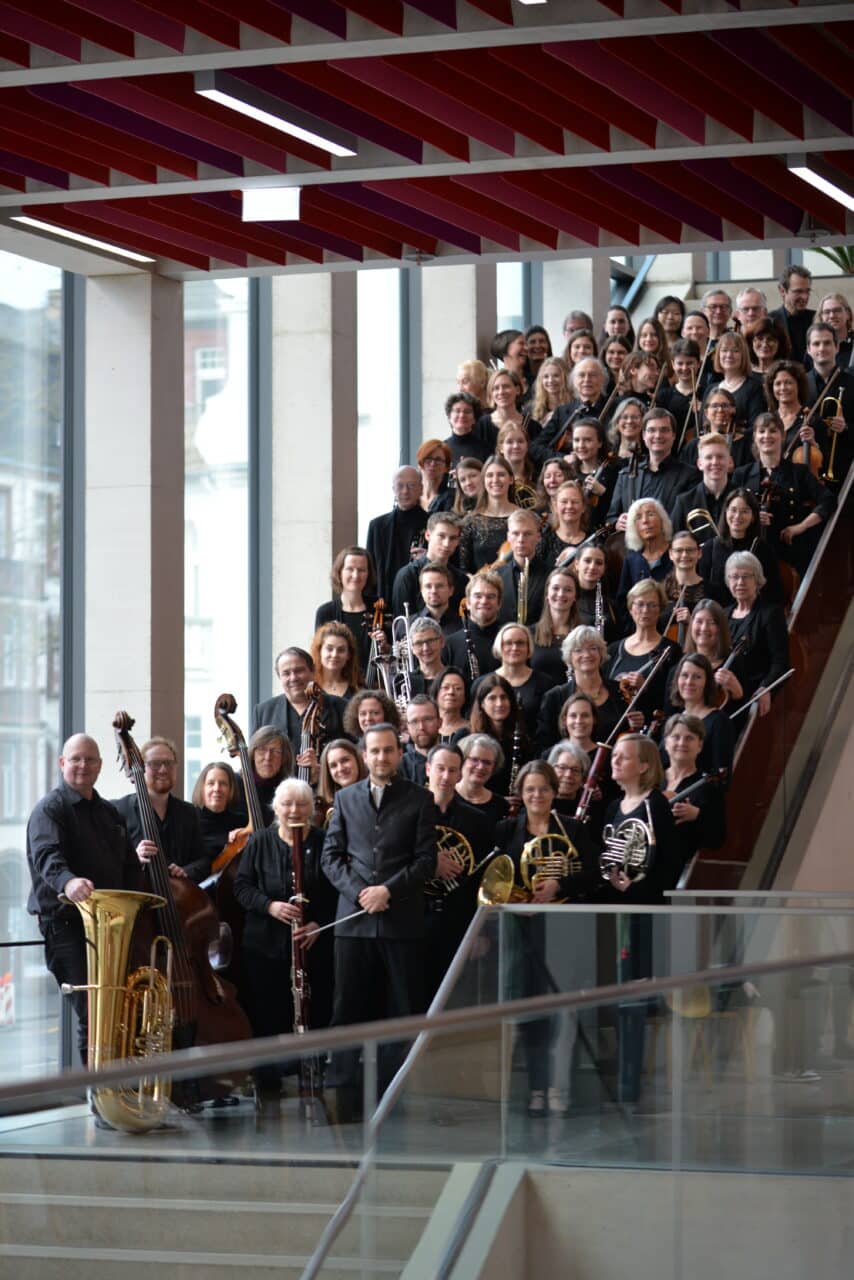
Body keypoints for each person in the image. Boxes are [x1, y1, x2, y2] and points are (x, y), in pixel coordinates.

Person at [321, 723, 438, 1099]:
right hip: (353, 923)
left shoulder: (420, 799)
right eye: (375, 751)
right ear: (364, 755)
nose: (382, 757)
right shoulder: (345, 798)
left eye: (388, 750)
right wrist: (361, 894)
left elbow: (426, 861)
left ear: (400, 754)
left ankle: (395, 1089)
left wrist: (388, 891)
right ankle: (340, 1087)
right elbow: (330, 858)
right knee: (347, 1007)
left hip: (401, 920)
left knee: (403, 1008)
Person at [26, 734, 142, 1066]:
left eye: (90, 759)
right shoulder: (50, 809)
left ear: (100, 765)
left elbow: (128, 866)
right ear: (62, 763)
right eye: (75, 759)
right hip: (66, 926)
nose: (83, 765)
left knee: (119, 1009)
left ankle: (119, 1084)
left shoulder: (109, 813)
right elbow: (46, 856)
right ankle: (100, 1091)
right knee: (94, 1013)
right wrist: (69, 881)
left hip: (109, 926)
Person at [494, 760, 597, 1116]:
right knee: (530, 1016)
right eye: (530, 789)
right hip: (521, 932)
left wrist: (559, 884)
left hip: (563, 931)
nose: (536, 795)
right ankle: (537, 1089)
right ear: (521, 794)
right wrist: (516, 900)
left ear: (555, 792)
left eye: (543, 789)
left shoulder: (574, 829)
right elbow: (495, 878)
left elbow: (593, 873)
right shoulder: (506, 829)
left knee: (563, 1014)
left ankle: (560, 1086)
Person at [234, 778, 337, 1111]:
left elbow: (337, 890)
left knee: (315, 1011)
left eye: (302, 804)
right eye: (287, 804)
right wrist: (270, 906)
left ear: (312, 808)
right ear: (275, 808)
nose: (294, 810)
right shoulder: (259, 841)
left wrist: (318, 924)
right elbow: (242, 887)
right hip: (264, 945)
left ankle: (312, 1074)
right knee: (267, 1013)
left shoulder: (323, 841)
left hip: (312, 943)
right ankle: (267, 1082)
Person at [598, 735, 679, 1106]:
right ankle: (622, 1074)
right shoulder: (613, 807)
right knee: (618, 997)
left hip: (643, 913)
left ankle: (632, 1081)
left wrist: (634, 886)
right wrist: (613, 880)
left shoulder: (655, 804)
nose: (614, 762)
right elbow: (608, 857)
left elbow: (669, 864)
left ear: (644, 765)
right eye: (614, 756)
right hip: (617, 910)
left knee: (635, 997)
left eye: (623, 757)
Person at [423, 744, 490, 1003]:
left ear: (460, 773)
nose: (446, 776)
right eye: (440, 768)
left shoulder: (477, 820)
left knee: (457, 999)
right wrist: (432, 861)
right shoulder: (407, 813)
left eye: (452, 770)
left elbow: (481, 879)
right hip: (416, 919)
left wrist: (480, 931)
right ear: (428, 769)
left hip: (458, 921)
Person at [733, 411, 836, 576]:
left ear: (783, 436)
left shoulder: (799, 472)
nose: (767, 436)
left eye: (773, 431)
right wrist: (752, 517)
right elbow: (730, 512)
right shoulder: (742, 474)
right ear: (754, 437)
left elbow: (828, 500)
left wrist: (801, 526)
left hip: (791, 551)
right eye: (761, 431)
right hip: (751, 552)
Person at [113, 736, 209, 884]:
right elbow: (106, 862)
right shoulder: (118, 810)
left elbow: (203, 861)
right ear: (141, 768)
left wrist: (186, 871)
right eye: (155, 764)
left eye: (169, 763)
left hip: (179, 895)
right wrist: (134, 858)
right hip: (138, 895)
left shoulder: (190, 812)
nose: (163, 770)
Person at [536, 626, 625, 755]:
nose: (587, 655)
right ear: (569, 657)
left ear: (601, 653)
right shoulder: (555, 697)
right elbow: (544, 746)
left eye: (593, 648)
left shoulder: (619, 691)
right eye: (578, 650)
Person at [251, 647, 346, 768]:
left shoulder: (341, 707)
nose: (293, 678)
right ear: (279, 676)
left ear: (312, 671)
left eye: (299, 671)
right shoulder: (263, 712)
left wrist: (320, 769)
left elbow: (354, 754)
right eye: (286, 673)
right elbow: (256, 762)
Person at [724, 550, 791, 715]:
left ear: (757, 580)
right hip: (725, 694)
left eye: (746, 576)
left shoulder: (771, 614)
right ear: (728, 580)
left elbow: (780, 662)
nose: (740, 582)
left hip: (753, 697)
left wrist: (765, 687)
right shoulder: (723, 615)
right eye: (734, 576)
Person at [661, 713, 727, 873]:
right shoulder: (651, 779)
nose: (682, 743)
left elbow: (717, 839)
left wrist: (698, 815)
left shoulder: (708, 786)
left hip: (675, 870)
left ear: (700, 745)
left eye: (689, 738)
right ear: (666, 742)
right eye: (676, 737)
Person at [607, 408, 695, 527]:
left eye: (664, 430)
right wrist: (617, 522)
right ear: (644, 435)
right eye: (652, 430)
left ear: (673, 435)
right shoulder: (625, 475)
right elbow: (611, 517)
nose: (658, 435)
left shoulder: (689, 475)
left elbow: (690, 519)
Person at [607, 579, 681, 720]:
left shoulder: (672, 651)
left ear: (660, 609)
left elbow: (674, 700)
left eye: (652, 605)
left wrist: (646, 687)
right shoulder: (613, 650)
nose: (646, 610)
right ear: (631, 608)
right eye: (640, 604)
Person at [699, 487, 783, 606]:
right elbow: (703, 591)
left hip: (752, 614)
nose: (738, 516)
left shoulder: (763, 550)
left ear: (753, 516)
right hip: (717, 614)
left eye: (745, 511)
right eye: (733, 510)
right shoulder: (710, 548)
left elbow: (774, 594)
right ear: (726, 512)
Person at [664, 653, 734, 776]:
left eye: (697, 677)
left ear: (707, 683)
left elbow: (722, 775)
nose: (689, 682)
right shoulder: (674, 721)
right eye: (684, 675)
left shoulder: (719, 722)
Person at [314, 545, 379, 677]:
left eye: (362, 570)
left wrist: (385, 646)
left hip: (374, 684)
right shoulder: (325, 612)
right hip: (337, 682)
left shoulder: (379, 608)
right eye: (350, 569)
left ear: (368, 574)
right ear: (339, 572)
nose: (356, 575)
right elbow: (319, 654)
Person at [365, 466, 428, 603]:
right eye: (400, 486)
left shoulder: (432, 524)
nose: (405, 491)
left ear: (421, 489)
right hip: (383, 602)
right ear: (393, 489)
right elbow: (369, 570)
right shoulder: (377, 526)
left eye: (411, 485)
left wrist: (428, 558)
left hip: (420, 600)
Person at [392, 511, 466, 617]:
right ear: (428, 535)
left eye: (453, 538)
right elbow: (402, 623)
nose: (447, 544)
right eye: (441, 536)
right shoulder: (407, 575)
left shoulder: (461, 579)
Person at [489, 622, 556, 737]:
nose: (514, 648)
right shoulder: (483, 683)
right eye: (508, 643)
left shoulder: (546, 684)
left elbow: (550, 727)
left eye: (520, 643)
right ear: (499, 647)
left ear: (529, 648)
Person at [670, 432, 735, 545]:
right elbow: (673, 543)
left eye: (720, 457)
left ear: (729, 461)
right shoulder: (684, 502)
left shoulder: (743, 498)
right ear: (700, 464)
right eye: (709, 457)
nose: (715, 462)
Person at [458, 455, 519, 573]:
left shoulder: (526, 519)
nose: (495, 480)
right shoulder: (470, 522)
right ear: (483, 481)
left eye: (501, 475)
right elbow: (464, 569)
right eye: (490, 475)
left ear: (511, 479)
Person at [469, 672, 526, 796]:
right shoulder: (467, 737)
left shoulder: (521, 738)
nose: (499, 703)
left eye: (504, 697)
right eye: (492, 698)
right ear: (482, 704)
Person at [616, 497, 673, 621]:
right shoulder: (631, 560)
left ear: (662, 520)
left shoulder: (677, 553)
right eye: (638, 517)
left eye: (650, 514)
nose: (645, 521)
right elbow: (623, 602)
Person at [683, 598, 745, 709]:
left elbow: (742, 717)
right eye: (699, 621)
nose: (704, 628)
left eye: (712, 623)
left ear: (721, 629)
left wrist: (737, 694)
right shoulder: (680, 666)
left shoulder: (735, 666)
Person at [443, 570, 504, 678]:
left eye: (490, 597)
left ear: (499, 603)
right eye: (478, 596)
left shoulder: (509, 641)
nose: (484, 601)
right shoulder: (449, 644)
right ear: (468, 603)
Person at [496, 507, 550, 626]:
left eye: (527, 534)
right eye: (515, 533)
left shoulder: (552, 575)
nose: (521, 539)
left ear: (538, 537)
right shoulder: (496, 576)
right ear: (508, 537)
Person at [531, 566, 581, 683]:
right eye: (555, 588)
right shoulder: (529, 634)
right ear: (547, 594)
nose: (561, 594)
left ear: (575, 596)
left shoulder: (583, 635)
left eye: (568, 590)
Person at [568, 417, 621, 528]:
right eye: (576, 440)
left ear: (600, 443)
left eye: (587, 440)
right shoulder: (569, 473)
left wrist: (603, 493)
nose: (581, 445)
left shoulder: (614, 472)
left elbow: (620, 509)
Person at [191, 760, 247, 864]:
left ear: (231, 789)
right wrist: (226, 840)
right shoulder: (188, 818)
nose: (217, 789)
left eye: (223, 784)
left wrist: (245, 834)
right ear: (202, 788)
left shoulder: (242, 822)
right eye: (211, 783)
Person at [709, 330, 766, 428]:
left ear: (743, 355)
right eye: (724, 350)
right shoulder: (710, 389)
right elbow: (702, 426)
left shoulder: (754, 388)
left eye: (735, 351)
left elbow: (756, 427)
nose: (729, 355)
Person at [456, 733, 509, 834]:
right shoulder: (447, 796)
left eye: (487, 762)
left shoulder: (501, 805)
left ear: (494, 767)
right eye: (474, 760)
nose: (480, 767)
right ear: (462, 760)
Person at [660, 530, 705, 643]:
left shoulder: (713, 591)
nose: (684, 555)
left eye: (690, 550)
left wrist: (692, 622)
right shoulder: (659, 591)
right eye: (679, 550)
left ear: (699, 553)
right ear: (671, 554)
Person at [571, 543, 619, 641]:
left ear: (604, 569)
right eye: (587, 561)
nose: (592, 566)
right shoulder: (565, 598)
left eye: (599, 563)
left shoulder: (610, 604)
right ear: (576, 564)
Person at [769, 264, 815, 364]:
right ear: (782, 291)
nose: (805, 297)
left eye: (807, 291)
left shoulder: (817, 318)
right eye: (798, 291)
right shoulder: (770, 321)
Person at [316, 739, 367, 826]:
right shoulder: (324, 811)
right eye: (333, 765)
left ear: (358, 759)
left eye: (345, 760)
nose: (340, 769)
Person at [540, 478, 588, 569]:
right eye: (564, 502)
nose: (569, 506)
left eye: (575, 502)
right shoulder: (544, 539)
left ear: (583, 507)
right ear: (555, 506)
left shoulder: (593, 541)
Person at [309, 620, 361, 701]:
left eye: (341, 650)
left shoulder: (358, 688)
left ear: (349, 655)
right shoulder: (308, 685)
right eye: (329, 649)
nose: (334, 655)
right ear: (319, 651)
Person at [413, 562, 463, 639]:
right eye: (428, 586)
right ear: (421, 590)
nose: (434, 591)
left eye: (439, 586)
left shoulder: (463, 626)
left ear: (451, 590)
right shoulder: (405, 625)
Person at [399, 694, 441, 785]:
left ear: (440, 722)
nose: (421, 727)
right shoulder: (400, 766)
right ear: (407, 727)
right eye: (414, 721)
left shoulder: (454, 759)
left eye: (428, 719)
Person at [443, 391, 491, 466]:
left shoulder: (485, 449)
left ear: (474, 418)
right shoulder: (442, 449)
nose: (462, 415)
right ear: (449, 417)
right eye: (457, 411)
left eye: (467, 411)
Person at [497, 420, 538, 507]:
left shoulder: (538, 478)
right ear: (501, 448)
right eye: (509, 442)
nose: (516, 446)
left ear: (527, 446)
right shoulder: (494, 480)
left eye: (520, 441)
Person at [547, 740, 591, 819]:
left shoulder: (590, 809)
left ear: (582, 777)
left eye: (575, 770)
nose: (568, 775)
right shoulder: (538, 803)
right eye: (562, 767)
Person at [531, 356, 571, 432]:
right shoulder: (531, 409)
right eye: (546, 376)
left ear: (565, 378)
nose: (550, 380)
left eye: (556, 376)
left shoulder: (576, 406)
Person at [431, 667, 470, 745]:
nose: (451, 692)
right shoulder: (427, 729)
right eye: (445, 687)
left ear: (465, 696)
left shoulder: (472, 730)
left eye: (458, 688)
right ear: (436, 693)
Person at [408, 616, 447, 688]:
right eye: (419, 643)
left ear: (442, 641)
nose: (425, 648)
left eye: (430, 641)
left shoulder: (456, 678)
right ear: (412, 648)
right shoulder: (405, 682)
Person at [417, 437, 452, 513]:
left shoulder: (452, 498)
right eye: (428, 459)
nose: (432, 464)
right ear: (420, 464)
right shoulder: (412, 497)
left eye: (438, 460)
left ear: (446, 467)